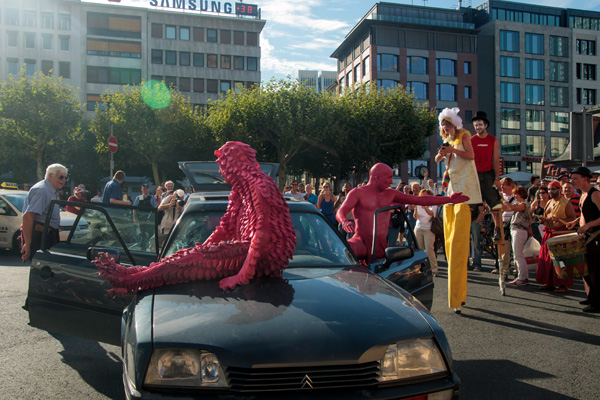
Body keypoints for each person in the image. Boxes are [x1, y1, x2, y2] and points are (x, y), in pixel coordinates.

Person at [336, 162, 468, 265]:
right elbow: (340, 211)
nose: (392, 182)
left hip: (381, 244)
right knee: (345, 252)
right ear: (377, 178)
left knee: (380, 279)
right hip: (362, 241)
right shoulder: (358, 192)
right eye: (388, 178)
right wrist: (344, 221)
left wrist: (448, 199)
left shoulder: (391, 194)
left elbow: (419, 200)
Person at [434, 107, 482, 314]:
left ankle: (457, 297)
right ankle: (457, 297)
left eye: (448, 124)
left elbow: (471, 156)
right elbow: (439, 160)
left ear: (455, 124)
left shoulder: (464, 135)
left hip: (464, 192)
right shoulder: (447, 140)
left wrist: (452, 151)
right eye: (443, 125)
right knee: (449, 247)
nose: (445, 127)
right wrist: (441, 154)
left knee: (458, 248)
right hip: (451, 192)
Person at [567, 167, 600, 312]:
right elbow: (586, 213)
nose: (572, 181)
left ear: (585, 179)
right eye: (572, 178)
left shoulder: (595, 194)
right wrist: (576, 222)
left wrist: (587, 225)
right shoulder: (582, 194)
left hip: (596, 236)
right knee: (586, 270)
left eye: (575, 178)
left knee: (595, 270)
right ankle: (591, 297)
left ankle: (598, 303)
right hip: (585, 236)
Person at [20, 164, 68, 262]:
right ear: (50, 175)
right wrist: (28, 244)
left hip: (47, 235)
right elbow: (28, 216)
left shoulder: (51, 190)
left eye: (66, 178)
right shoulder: (42, 190)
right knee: (43, 271)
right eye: (61, 177)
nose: (64, 180)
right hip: (39, 237)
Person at [536, 180, 577, 293]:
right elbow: (547, 217)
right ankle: (549, 282)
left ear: (559, 190)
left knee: (561, 260)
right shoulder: (549, 202)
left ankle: (563, 285)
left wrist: (558, 220)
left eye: (553, 189)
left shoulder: (565, 203)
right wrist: (543, 219)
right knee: (547, 259)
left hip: (560, 234)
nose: (550, 191)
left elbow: (572, 219)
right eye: (549, 189)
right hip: (548, 233)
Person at [470, 111, 503, 242]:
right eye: (476, 125)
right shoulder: (472, 140)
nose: (478, 127)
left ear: (486, 125)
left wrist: (497, 178)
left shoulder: (493, 140)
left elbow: (496, 159)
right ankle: (471, 228)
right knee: (472, 204)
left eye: (480, 124)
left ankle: (498, 228)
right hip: (475, 175)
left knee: (495, 204)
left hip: (488, 174)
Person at [506, 186, 531, 286]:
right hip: (515, 230)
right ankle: (522, 276)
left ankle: (523, 277)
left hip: (519, 230)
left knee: (518, 255)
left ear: (521, 194)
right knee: (518, 255)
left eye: (515, 194)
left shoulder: (525, 204)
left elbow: (512, 207)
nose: (514, 196)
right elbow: (507, 208)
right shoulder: (518, 203)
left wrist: (503, 200)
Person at [414, 189, 439, 277]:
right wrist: (416, 208)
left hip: (429, 229)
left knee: (429, 250)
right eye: (422, 195)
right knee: (419, 250)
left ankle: (434, 269)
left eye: (425, 195)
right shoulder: (418, 203)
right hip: (418, 228)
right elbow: (416, 217)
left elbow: (431, 214)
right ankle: (421, 269)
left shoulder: (433, 204)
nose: (423, 197)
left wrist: (424, 207)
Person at [494, 177, 516, 277]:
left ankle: (517, 269)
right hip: (503, 225)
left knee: (515, 249)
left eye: (505, 185)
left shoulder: (516, 196)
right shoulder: (499, 196)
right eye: (502, 184)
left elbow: (508, 208)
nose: (502, 187)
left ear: (511, 186)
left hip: (514, 224)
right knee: (505, 248)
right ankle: (504, 270)